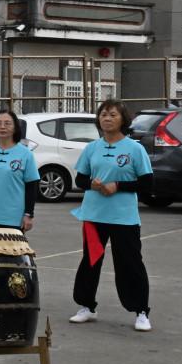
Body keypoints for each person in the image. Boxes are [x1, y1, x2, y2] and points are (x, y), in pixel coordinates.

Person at [69, 98, 154, 332]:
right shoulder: (92, 148)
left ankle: (141, 311)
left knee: (130, 263)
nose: (107, 118)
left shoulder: (134, 149)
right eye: (103, 114)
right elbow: (80, 179)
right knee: (91, 260)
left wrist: (117, 185)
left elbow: (146, 183)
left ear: (123, 120)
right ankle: (86, 306)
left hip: (123, 217)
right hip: (94, 215)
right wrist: (94, 185)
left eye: (112, 115)